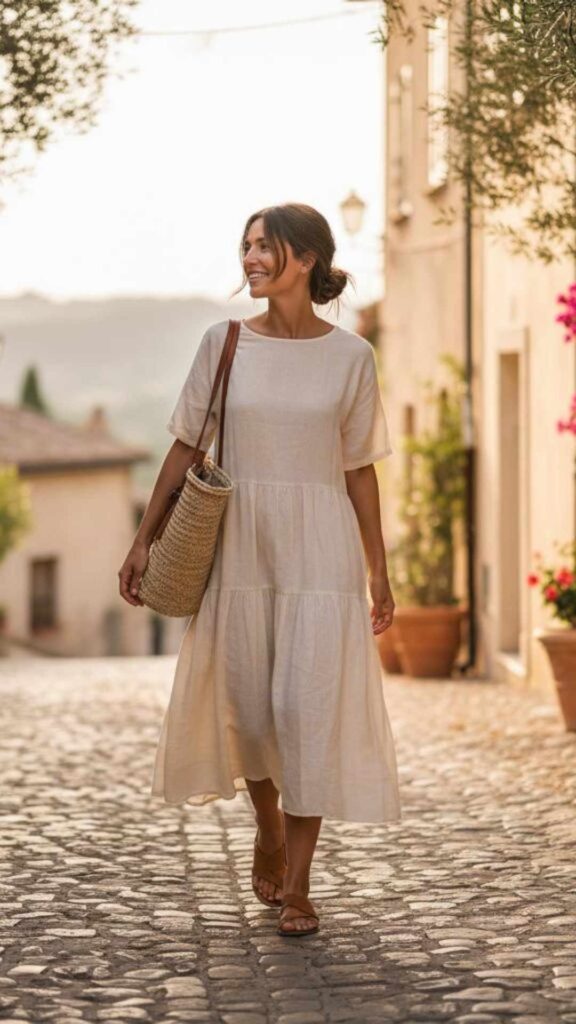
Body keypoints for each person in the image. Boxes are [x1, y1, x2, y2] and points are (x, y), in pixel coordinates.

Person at [119, 202, 402, 938]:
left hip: (321, 553)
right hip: (241, 546)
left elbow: (361, 469)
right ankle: (269, 826)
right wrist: (144, 539)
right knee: (250, 708)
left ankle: (302, 886)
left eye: (263, 247)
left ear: (304, 259)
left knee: (306, 711)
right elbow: (184, 447)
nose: (249, 258)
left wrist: (380, 570)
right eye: (245, 246)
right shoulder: (226, 344)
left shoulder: (352, 358)